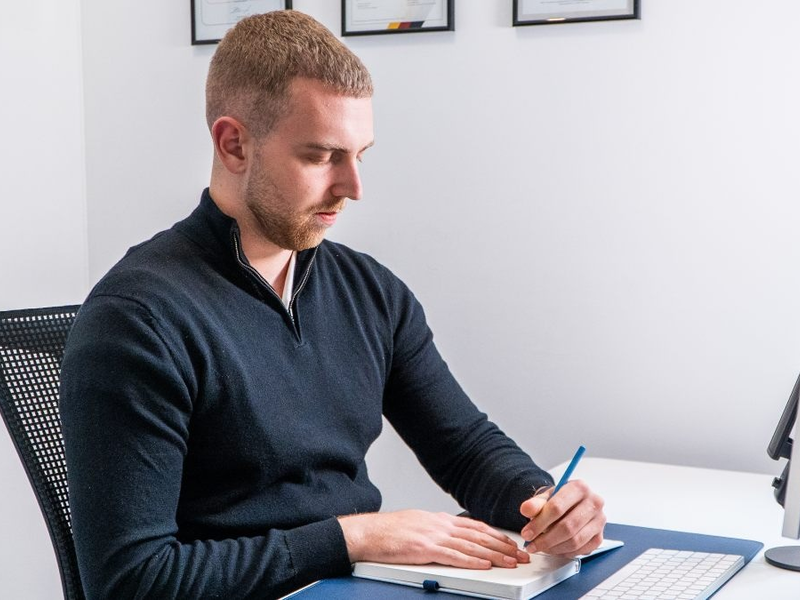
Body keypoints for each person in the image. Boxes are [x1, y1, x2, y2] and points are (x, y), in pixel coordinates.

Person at [60, 10, 605, 599]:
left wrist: (543, 502)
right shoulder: (137, 320)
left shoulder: (371, 292)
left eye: (359, 154)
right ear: (234, 144)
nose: (353, 188)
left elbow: (465, 448)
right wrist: (353, 537)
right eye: (322, 157)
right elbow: (132, 583)